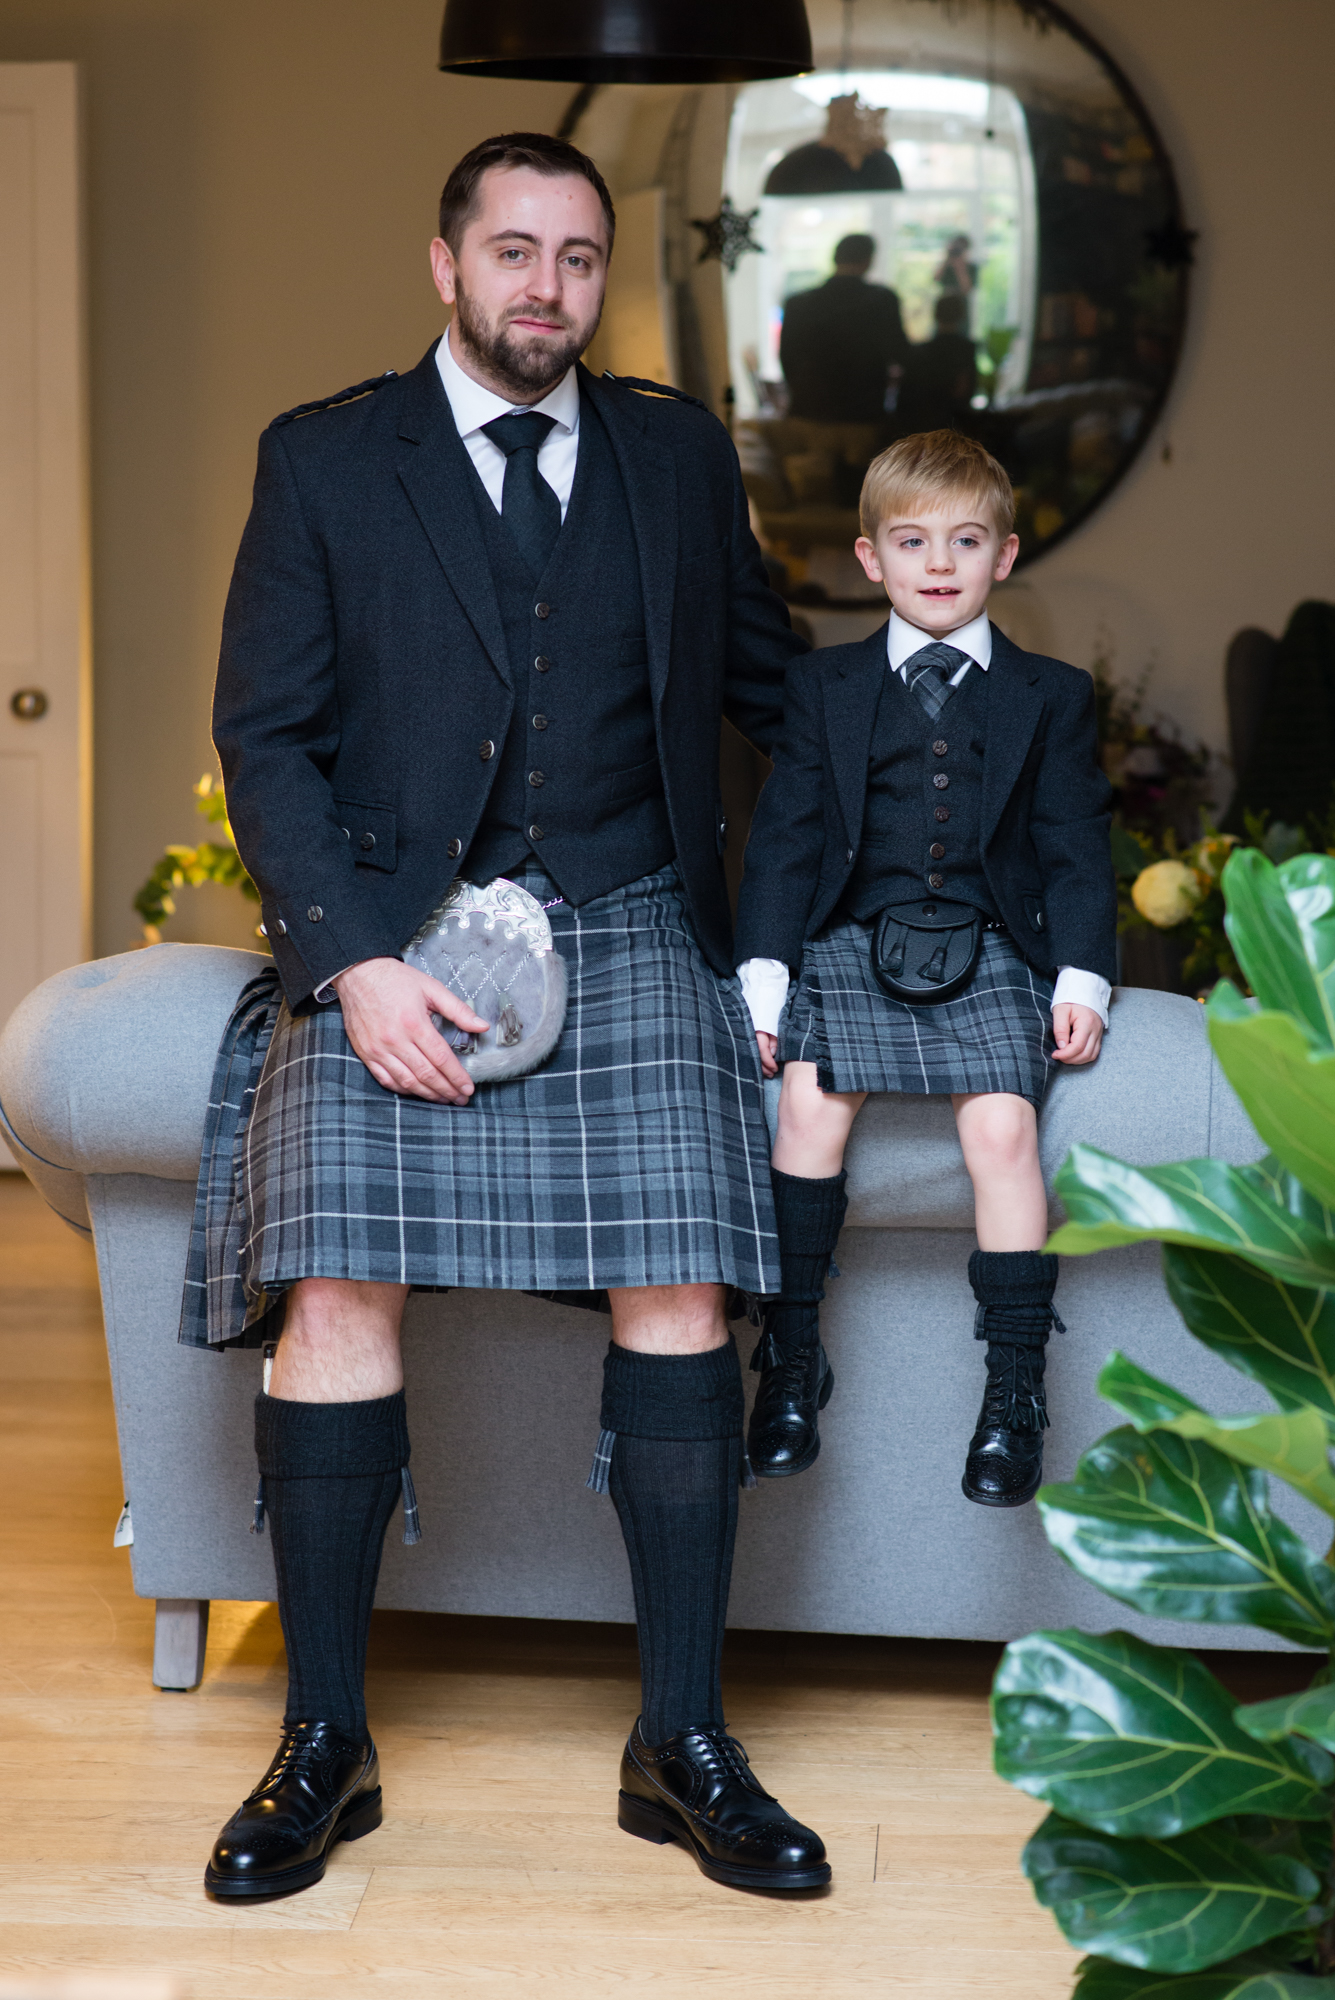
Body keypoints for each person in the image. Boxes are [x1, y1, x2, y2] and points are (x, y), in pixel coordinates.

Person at [197, 131, 829, 1901]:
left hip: (630, 922)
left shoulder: (678, 456)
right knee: (332, 1281)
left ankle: (680, 1737)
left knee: (685, 1279)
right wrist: (350, 962)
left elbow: (779, 693)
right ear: (445, 263)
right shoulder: (325, 460)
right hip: (399, 943)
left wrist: (953, 765)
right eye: (513, 251)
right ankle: (324, 1737)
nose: (545, 286)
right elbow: (269, 738)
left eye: (576, 258)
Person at [733, 431, 1116, 1507]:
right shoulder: (824, 686)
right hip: (853, 940)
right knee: (806, 1108)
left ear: (1005, 554)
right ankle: (793, 1361)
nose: (938, 562)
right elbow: (785, 842)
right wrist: (764, 977)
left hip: (990, 945)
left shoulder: (1051, 692)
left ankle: (1014, 1391)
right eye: (912, 541)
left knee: (1002, 1127)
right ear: (870, 558)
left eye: (964, 539)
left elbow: (1077, 845)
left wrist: (1082, 978)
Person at [779, 232, 910, 428]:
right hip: (862, 414)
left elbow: (786, 357)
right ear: (868, 261)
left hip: (809, 412)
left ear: (835, 258)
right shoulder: (882, 300)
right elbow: (899, 352)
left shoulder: (797, 304)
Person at [894, 293, 978, 436]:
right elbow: (963, 390)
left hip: (917, 426)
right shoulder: (966, 349)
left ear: (935, 315)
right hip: (951, 427)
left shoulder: (918, 352)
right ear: (961, 316)